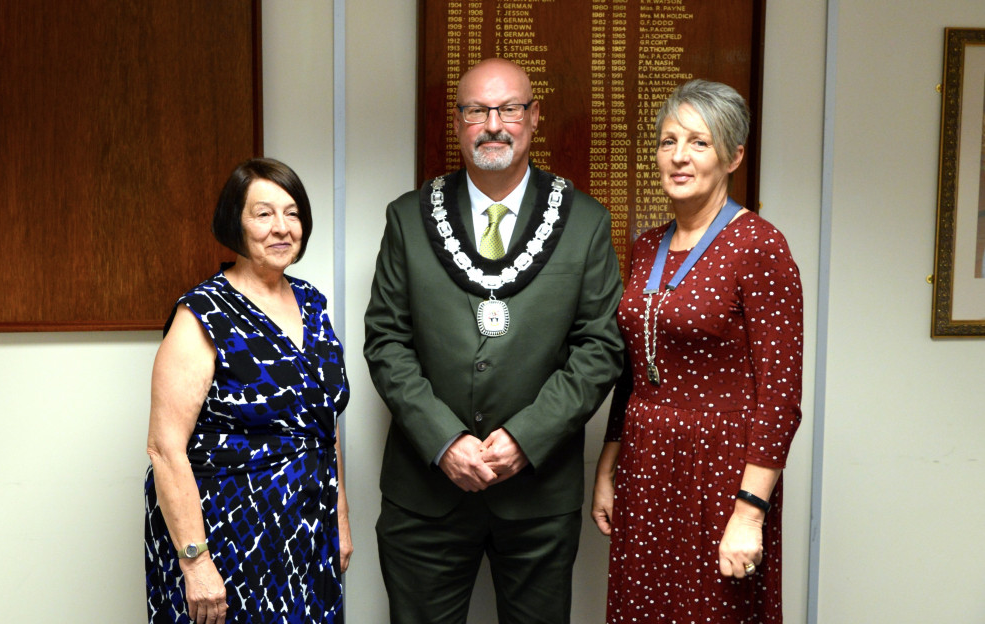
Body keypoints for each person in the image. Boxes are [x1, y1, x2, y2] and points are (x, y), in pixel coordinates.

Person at [364, 58, 625, 624]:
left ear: (534, 118)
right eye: (477, 110)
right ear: (456, 122)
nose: (493, 124)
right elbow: (386, 341)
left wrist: (525, 438)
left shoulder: (585, 222)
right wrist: (445, 440)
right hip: (424, 493)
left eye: (509, 109)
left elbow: (600, 348)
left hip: (538, 492)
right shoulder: (408, 219)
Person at [591, 79, 803, 623]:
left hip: (720, 473)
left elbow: (780, 396)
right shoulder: (645, 246)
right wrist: (608, 467)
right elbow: (634, 369)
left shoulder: (759, 245)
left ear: (733, 157)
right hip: (645, 467)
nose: (679, 156)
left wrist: (750, 512)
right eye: (668, 141)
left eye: (699, 142)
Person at [144, 158, 352, 624]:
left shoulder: (313, 303)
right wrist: (195, 563)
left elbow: (324, 424)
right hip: (228, 538)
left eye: (293, 213)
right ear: (235, 224)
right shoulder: (202, 313)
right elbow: (164, 448)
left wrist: (338, 519)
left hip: (308, 531)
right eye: (263, 214)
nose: (281, 228)